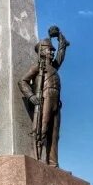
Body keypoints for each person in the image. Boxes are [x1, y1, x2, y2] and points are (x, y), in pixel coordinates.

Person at [18, 27, 69, 167]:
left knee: (54, 134)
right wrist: (31, 96)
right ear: (41, 51)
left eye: (52, 50)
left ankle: (53, 163)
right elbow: (22, 81)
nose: (52, 52)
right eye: (49, 49)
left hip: (56, 101)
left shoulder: (53, 66)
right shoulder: (37, 67)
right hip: (44, 98)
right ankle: (39, 158)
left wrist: (59, 36)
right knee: (43, 129)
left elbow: (61, 53)